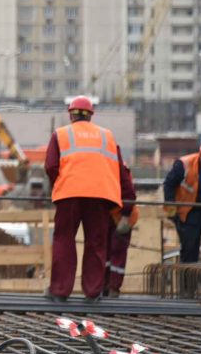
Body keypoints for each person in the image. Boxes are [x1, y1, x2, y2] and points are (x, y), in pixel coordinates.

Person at [44, 95, 134, 302]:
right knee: (96, 243)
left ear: (71, 114)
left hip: (69, 195)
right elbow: (122, 172)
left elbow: (50, 167)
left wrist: (60, 186)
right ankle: (92, 293)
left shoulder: (61, 134)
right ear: (91, 115)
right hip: (100, 196)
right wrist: (126, 207)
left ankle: (59, 291)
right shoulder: (107, 137)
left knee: (64, 240)